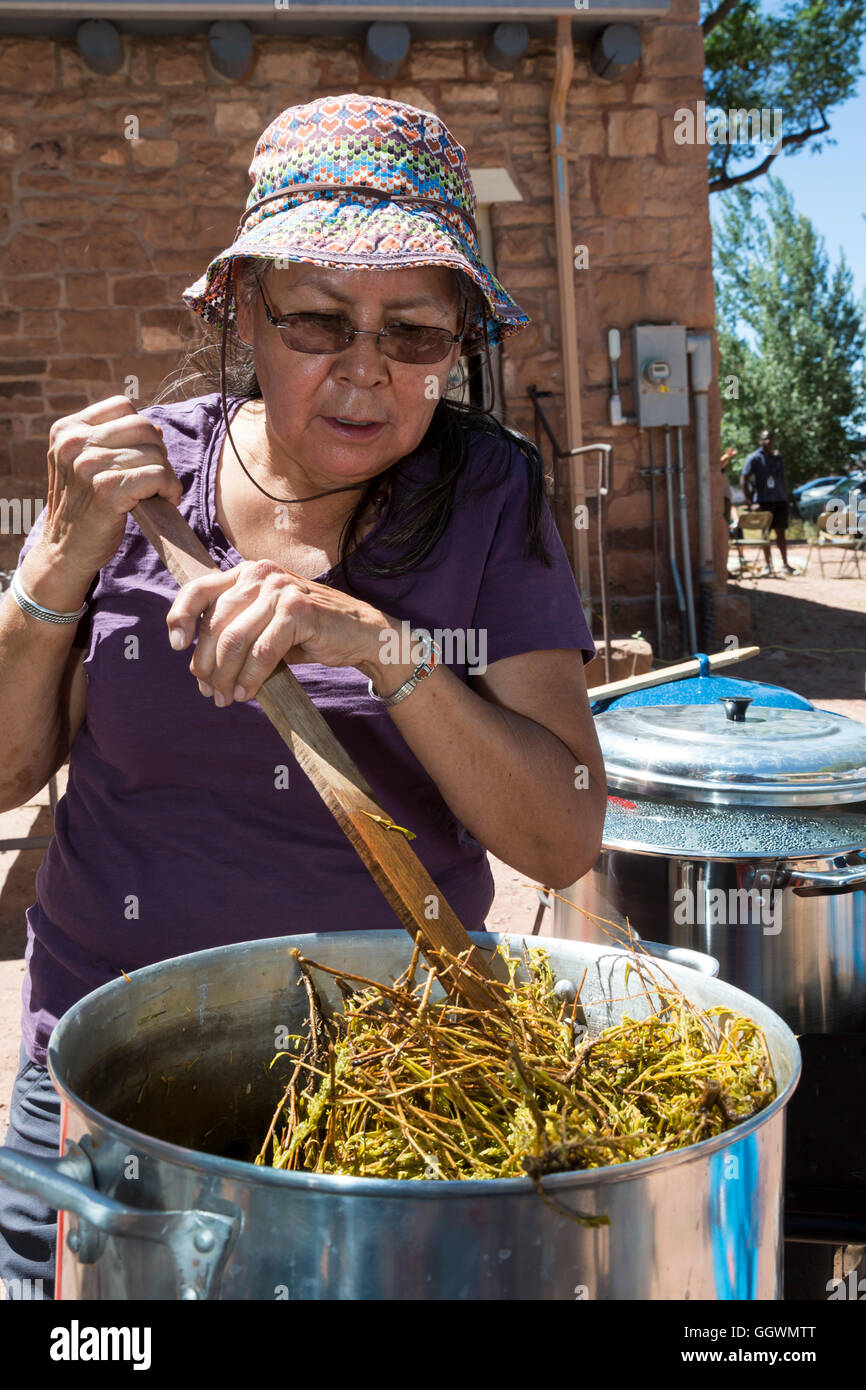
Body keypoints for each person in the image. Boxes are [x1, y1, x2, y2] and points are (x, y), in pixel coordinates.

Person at [0, 94, 606, 1296]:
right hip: (101, 1087)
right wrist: (54, 557)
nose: (366, 373)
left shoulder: (487, 498)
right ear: (239, 309)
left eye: (416, 336)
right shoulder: (134, 483)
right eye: (319, 320)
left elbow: (564, 827)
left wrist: (383, 648)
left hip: (391, 1085)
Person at [741, 428, 796, 576]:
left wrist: (786, 497)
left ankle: (785, 564)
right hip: (763, 502)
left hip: (779, 500)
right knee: (765, 534)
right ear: (760, 441)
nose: (768, 441)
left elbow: (783, 478)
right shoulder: (754, 458)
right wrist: (750, 502)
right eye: (765, 438)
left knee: (781, 534)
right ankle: (768, 565)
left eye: (771, 438)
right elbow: (744, 480)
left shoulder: (777, 457)